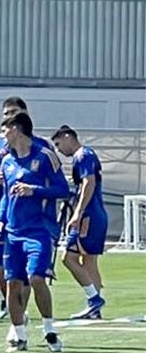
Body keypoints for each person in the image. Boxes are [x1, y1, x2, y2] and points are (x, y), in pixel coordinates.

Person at [0, 112, 69, 353]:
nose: (2, 135)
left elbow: (63, 189)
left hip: (39, 230)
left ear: (15, 129)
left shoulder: (44, 156)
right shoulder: (6, 161)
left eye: (4, 130)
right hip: (13, 232)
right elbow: (5, 195)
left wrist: (33, 190)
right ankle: (19, 335)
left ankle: (49, 330)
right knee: (12, 284)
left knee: (36, 278)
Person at [0, 97, 54, 319]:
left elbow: (55, 184)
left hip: (35, 220)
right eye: (5, 113)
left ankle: (20, 316)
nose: (8, 117)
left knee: (29, 275)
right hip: (3, 213)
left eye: (14, 112)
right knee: (2, 268)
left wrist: (35, 190)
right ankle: (12, 308)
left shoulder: (42, 148)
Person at [51, 125, 108, 319]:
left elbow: (88, 182)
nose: (59, 149)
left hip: (89, 215)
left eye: (59, 144)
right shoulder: (86, 155)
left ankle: (94, 300)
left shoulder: (83, 155)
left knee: (68, 257)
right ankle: (94, 307)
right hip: (95, 213)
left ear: (68, 137)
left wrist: (78, 213)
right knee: (89, 260)